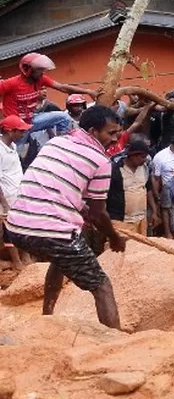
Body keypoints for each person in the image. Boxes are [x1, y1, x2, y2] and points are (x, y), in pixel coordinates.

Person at [6, 105, 126, 329]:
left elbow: (56, 186)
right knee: (102, 285)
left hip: (15, 227)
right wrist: (115, 237)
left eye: (117, 132)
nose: (115, 138)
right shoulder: (101, 161)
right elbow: (99, 215)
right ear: (92, 132)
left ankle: (47, 316)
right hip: (51, 230)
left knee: (60, 259)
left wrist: (82, 210)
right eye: (110, 133)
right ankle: (116, 343)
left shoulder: (55, 143)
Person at [0, 53, 98, 137]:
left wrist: (88, 92)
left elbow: (62, 87)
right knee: (14, 154)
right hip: (16, 127)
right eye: (39, 70)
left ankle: (61, 146)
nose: (42, 72)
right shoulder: (10, 83)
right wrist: (4, 121)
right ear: (27, 70)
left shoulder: (41, 79)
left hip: (31, 120)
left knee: (63, 118)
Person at [107, 139, 158, 235]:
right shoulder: (115, 170)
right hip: (120, 220)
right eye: (142, 157)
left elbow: (148, 190)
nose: (144, 160)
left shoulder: (145, 169)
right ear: (132, 156)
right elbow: (105, 195)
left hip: (141, 220)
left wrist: (154, 211)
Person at [0, 116, 30, 269]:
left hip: (19, 193)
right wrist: (4, 204)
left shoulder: (13, 146)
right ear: (10, 131)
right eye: (21, 131)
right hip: (7, 196)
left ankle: (25, 256)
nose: (23, 134)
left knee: (23, 225)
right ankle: (17, 262)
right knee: (9, 228)